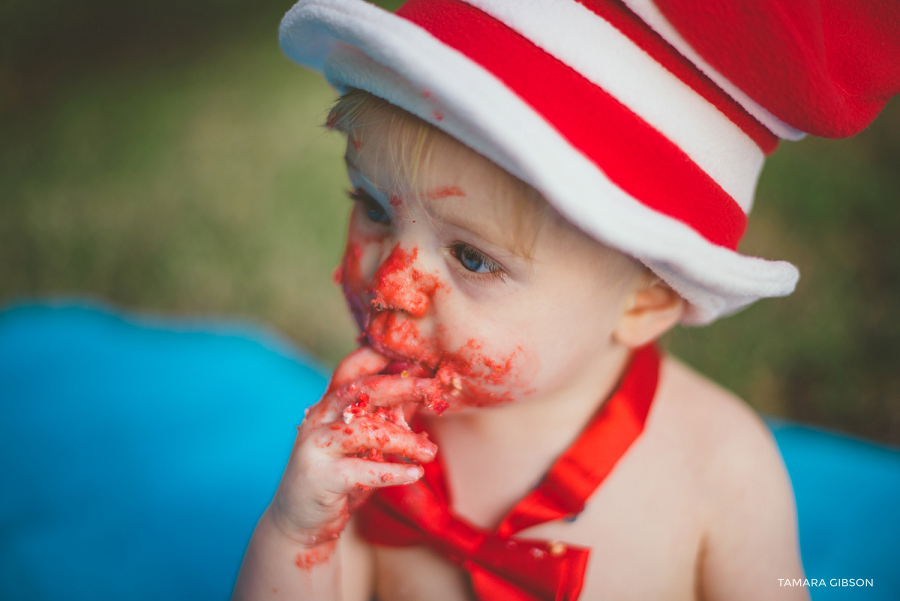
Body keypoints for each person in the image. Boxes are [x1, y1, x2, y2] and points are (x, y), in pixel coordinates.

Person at [233, 1, 900, 599]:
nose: (389, 286)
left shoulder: (720, 471)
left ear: (645, 301)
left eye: (472, 256)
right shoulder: (372, 436)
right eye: (373, 206)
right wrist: (300, 532)